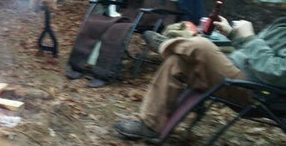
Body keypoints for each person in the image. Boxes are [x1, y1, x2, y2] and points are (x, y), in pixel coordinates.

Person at [114, 16, 286, 142]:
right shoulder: (282, 23)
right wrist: (233, 34)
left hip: (257, 93)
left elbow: (275, 72)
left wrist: (249, 37)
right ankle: (150, 126)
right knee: (177, 61)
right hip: (237, 72)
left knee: (201, 46)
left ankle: (164, 44)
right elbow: (255, 53)